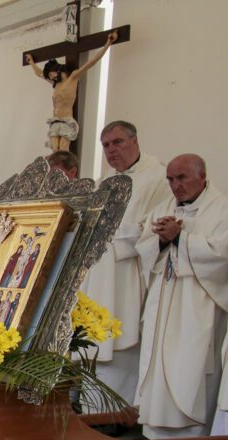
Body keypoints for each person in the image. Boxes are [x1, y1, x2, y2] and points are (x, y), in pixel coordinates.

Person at [134, 154, 228, 440]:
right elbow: (143, 244)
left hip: (198, 301)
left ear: (202, 176)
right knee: (159, 360)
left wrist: (181, 239)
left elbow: (222, 254)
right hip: (165, 295)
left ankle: (193, 437)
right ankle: (155, 428)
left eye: (182, 178)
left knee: (191, 363)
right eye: (171, 179)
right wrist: (161, 240)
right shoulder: (164, 207)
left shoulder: (221, 208)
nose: (175, 186)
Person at [81, 121, 170, 406]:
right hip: (98, 273)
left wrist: (114, 235)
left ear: (135, 141)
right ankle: (92, 409)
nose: (110, 150)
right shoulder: (103, 182)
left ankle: (117, 409)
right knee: (94, 336)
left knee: (121, 339)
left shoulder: (158, 177)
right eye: (105, 145)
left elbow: (154, 227)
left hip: (128, 273)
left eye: (117, 142)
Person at [26, 31, 117, 150]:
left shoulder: (72, 78)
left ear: (57, 70)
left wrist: (108, 43)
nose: (51, 76)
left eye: (51, 73)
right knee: (54, 151)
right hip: (55, 121)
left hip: (66, 120)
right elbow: (39, 73)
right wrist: (31, 62)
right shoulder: (55, 83)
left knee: (63, 150)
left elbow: (91, 62)